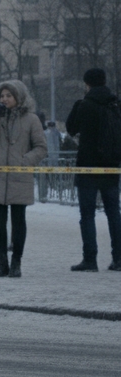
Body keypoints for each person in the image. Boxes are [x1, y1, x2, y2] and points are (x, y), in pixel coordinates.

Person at [0, 80, 48, 278]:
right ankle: (2, 263)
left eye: (9, 95)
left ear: (19, 97)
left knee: (18, 221)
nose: (5, 99)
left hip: (19, 176)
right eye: (2, 96)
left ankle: (16, 262)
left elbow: (41, 148)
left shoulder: (31, 119)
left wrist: (25, 161)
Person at [65, 68, 121, 272]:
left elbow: (71, 129)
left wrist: (79, 104)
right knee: (114, 213)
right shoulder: (115, 103)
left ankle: (90, 259)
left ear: (86, 84)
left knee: (87, 214)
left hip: (88, 165)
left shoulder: (85, 104)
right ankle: (119, 258)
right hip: (112, 166)